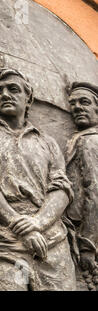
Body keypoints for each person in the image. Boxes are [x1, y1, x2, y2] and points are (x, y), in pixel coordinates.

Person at [0, 68, 76, 290]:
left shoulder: (47, 142)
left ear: (29, 98)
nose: (4, 94)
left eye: (13, 89)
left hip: (52, 241)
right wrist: (19, 224)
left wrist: (38, 223)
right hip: (9, 243)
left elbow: (61, 189)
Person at [65, 82, 98, 276]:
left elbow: (94, 192)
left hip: (81, 235)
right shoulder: (81, 138)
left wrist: (88, 245)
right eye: (73, 103)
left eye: (84, 102)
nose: (77, 107)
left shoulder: (91, 141)